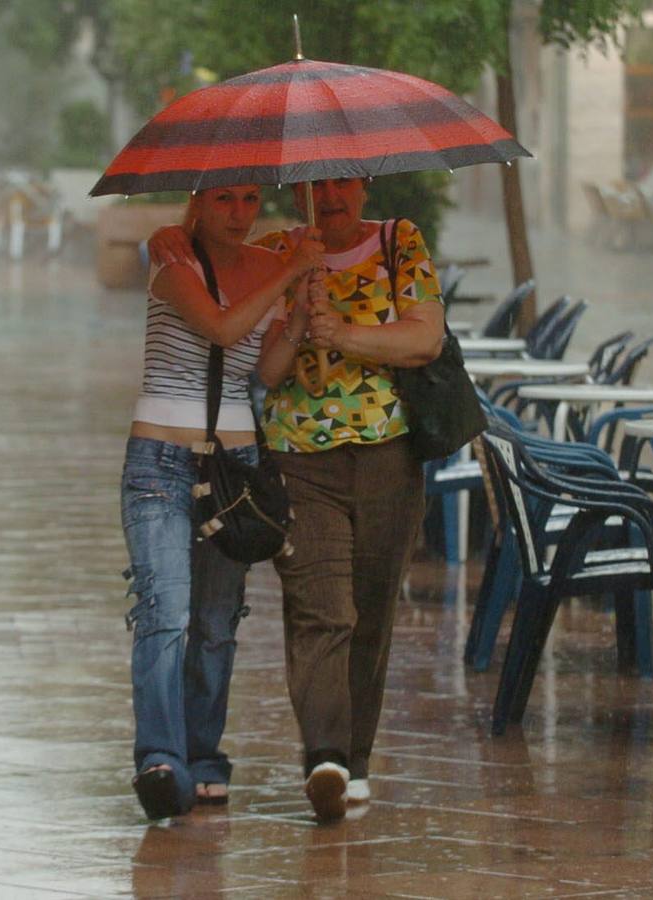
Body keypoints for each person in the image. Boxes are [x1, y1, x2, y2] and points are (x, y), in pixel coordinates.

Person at [150, 177, 445, 823]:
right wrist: (293, 306)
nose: (331, 194)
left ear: (364, 185)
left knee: (369, 614)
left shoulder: (401, 243)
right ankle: (326, 759)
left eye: (343, 180)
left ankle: (356, 762)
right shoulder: (281, 250)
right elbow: (265, 370)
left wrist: (339, 333)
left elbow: (424, 340)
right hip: (298, 460)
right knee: (322, 609)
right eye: (319, 181)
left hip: (389, 457)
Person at [124, 185, 323, 819]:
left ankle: (203, 755)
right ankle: (160, 759)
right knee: (165, 609)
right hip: (159, 459)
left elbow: (262, 373)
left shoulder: (271, 267)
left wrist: (296, 320)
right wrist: (292, 269)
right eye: (224, 200)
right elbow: (218, 325)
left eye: (249, 200)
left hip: (234, 467)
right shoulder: (172, 256)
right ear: (199, 203)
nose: (239, 213)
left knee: (215, 622)